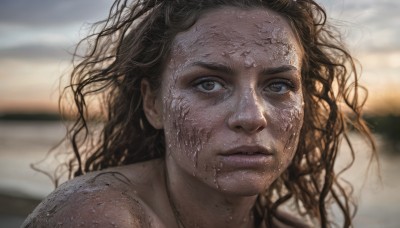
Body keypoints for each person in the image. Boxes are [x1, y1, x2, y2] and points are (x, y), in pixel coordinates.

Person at [23, 0, 376, 227]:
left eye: (279, 85)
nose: (252, 117)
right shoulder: (97, 217)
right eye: (209, 84)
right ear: (153, 104)